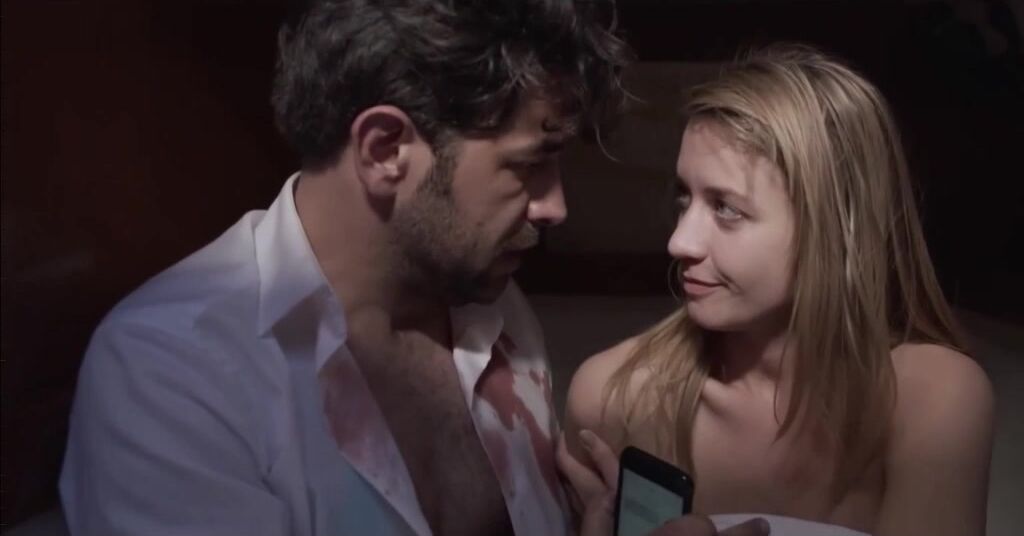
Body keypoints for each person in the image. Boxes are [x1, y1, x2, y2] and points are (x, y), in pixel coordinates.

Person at [58, 0, 630, 534]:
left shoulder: (491, 303)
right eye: (528, 165)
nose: (555, 207)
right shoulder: (172, 371)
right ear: (385, 149)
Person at [558, 44, 996, 536]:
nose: (679, 241)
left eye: (726, 208)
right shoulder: (612, 398)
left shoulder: (932, 400)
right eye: (684, 199)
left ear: (837, 226)